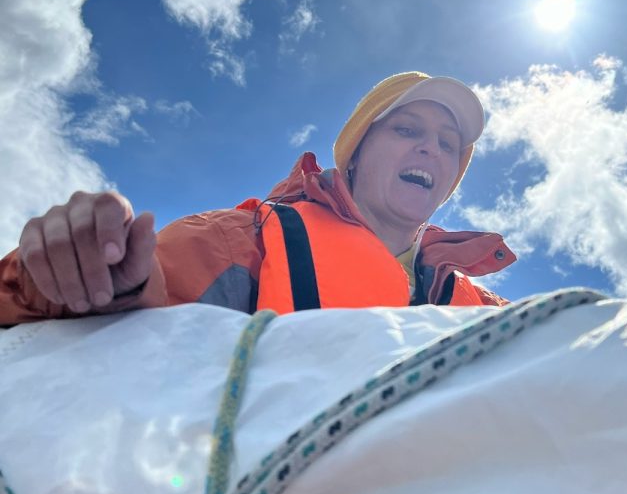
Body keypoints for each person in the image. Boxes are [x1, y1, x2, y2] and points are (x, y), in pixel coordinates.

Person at [0, 72, 517, 326]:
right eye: (406, 129)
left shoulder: (480, 306)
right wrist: (85, 274)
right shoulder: (244, 241)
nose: (430, 148)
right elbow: (23, 306)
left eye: (448, 144)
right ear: (356, 156)